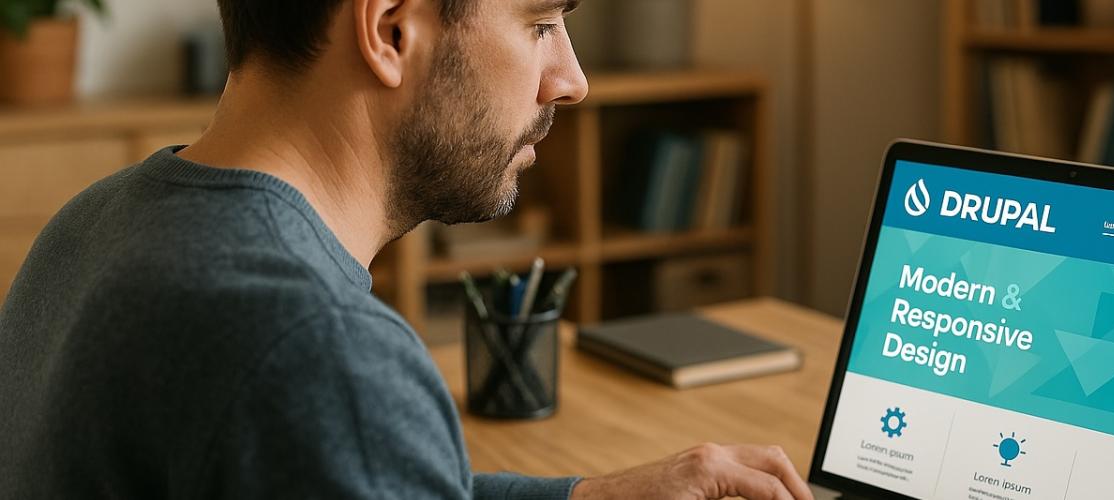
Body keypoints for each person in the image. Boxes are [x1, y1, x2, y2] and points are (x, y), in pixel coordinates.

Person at [0, 0, 813, 498]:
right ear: (390, 28)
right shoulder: (321, 350)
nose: (570, 79)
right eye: (538, 23)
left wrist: (588, 498)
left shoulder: (91, 224)